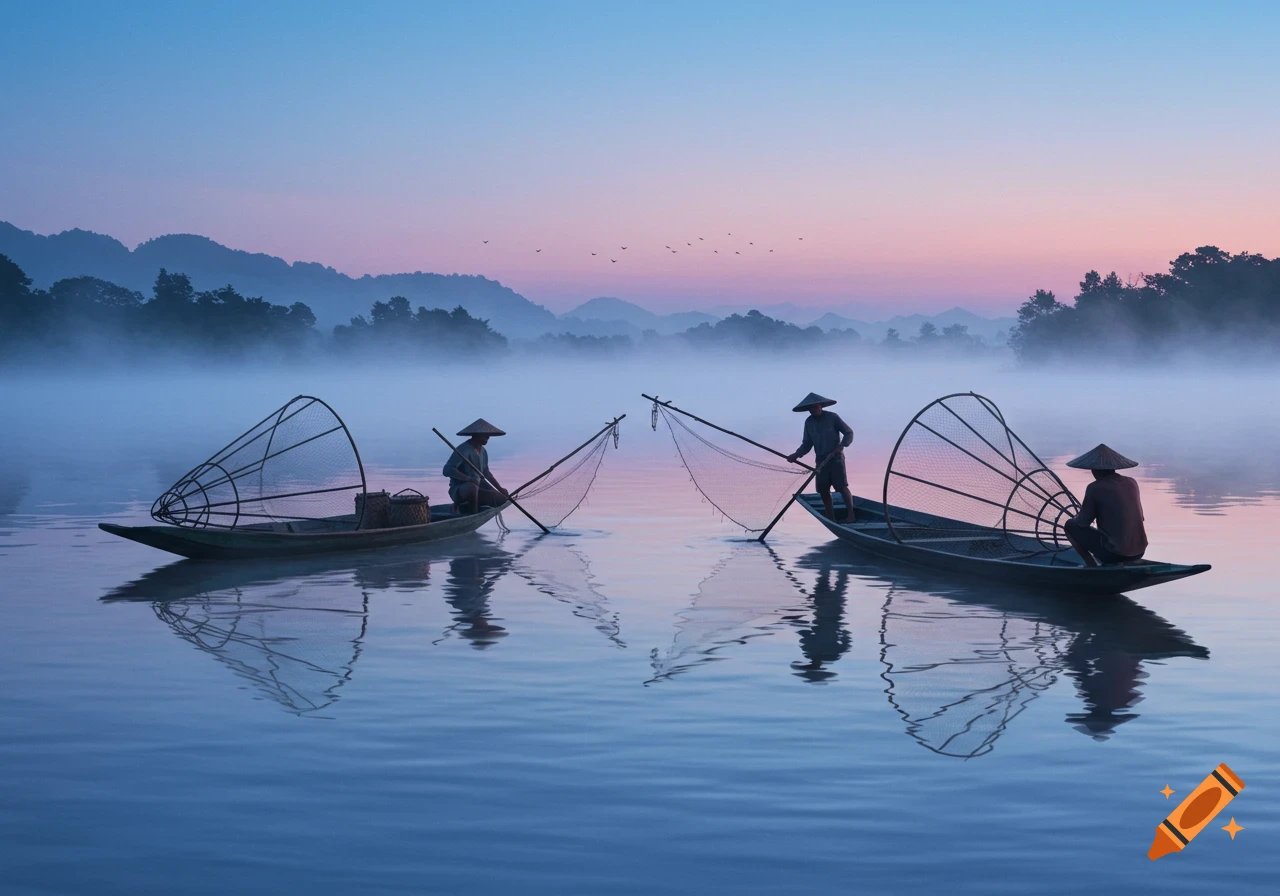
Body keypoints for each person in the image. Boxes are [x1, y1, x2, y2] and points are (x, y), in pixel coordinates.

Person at [1062, 444, 1147, 567]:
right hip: (1140, 551)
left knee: (1070, 525)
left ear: (1094, 470)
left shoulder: (1094, 488)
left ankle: (1091, 565)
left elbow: (1082, 523)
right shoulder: (1132, 482)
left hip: (1114, 554)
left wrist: (1075, 519)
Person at [785, 392, 855, 521]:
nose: (814, 410)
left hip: (836, 458)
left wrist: (842, 445)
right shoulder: (809, 422)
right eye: (811, 408)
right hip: (821, 460)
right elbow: (807, 444)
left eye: (816, 407)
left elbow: (848, 432)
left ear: (821, 406)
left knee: (841, 487)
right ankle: (830, 516)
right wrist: (796, 455)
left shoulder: (832, 417)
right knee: (823, 489)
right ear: (808, 410)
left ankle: (851, 514)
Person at [443, 418, 510, 513]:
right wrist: (468, 478)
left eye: (488, 435)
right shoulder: (464, 449)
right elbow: (447, 470)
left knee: (502, 498)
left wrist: (500, 489)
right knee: (473, 487)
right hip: (461, 488)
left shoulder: (483, 451)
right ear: (476, 435)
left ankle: (474, 504)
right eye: (485, 435)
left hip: (480, 486)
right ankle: (471, 511)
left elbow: (486, 473)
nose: (488, 437)